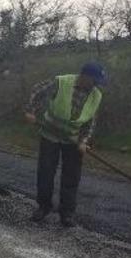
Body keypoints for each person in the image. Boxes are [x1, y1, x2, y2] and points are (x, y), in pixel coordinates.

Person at [24, 63, 106, 227]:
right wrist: (30, 111)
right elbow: (37, 91)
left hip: (73, 140)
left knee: (71, 177)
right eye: (94, 80)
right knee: (46, 172)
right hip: (50, 134)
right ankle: (43, 207)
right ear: (84, 76)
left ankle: (67, 213)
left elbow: (91, 122)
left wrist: (84, 141)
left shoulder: (96, 95)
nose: (95, 84)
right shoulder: (62, 82)